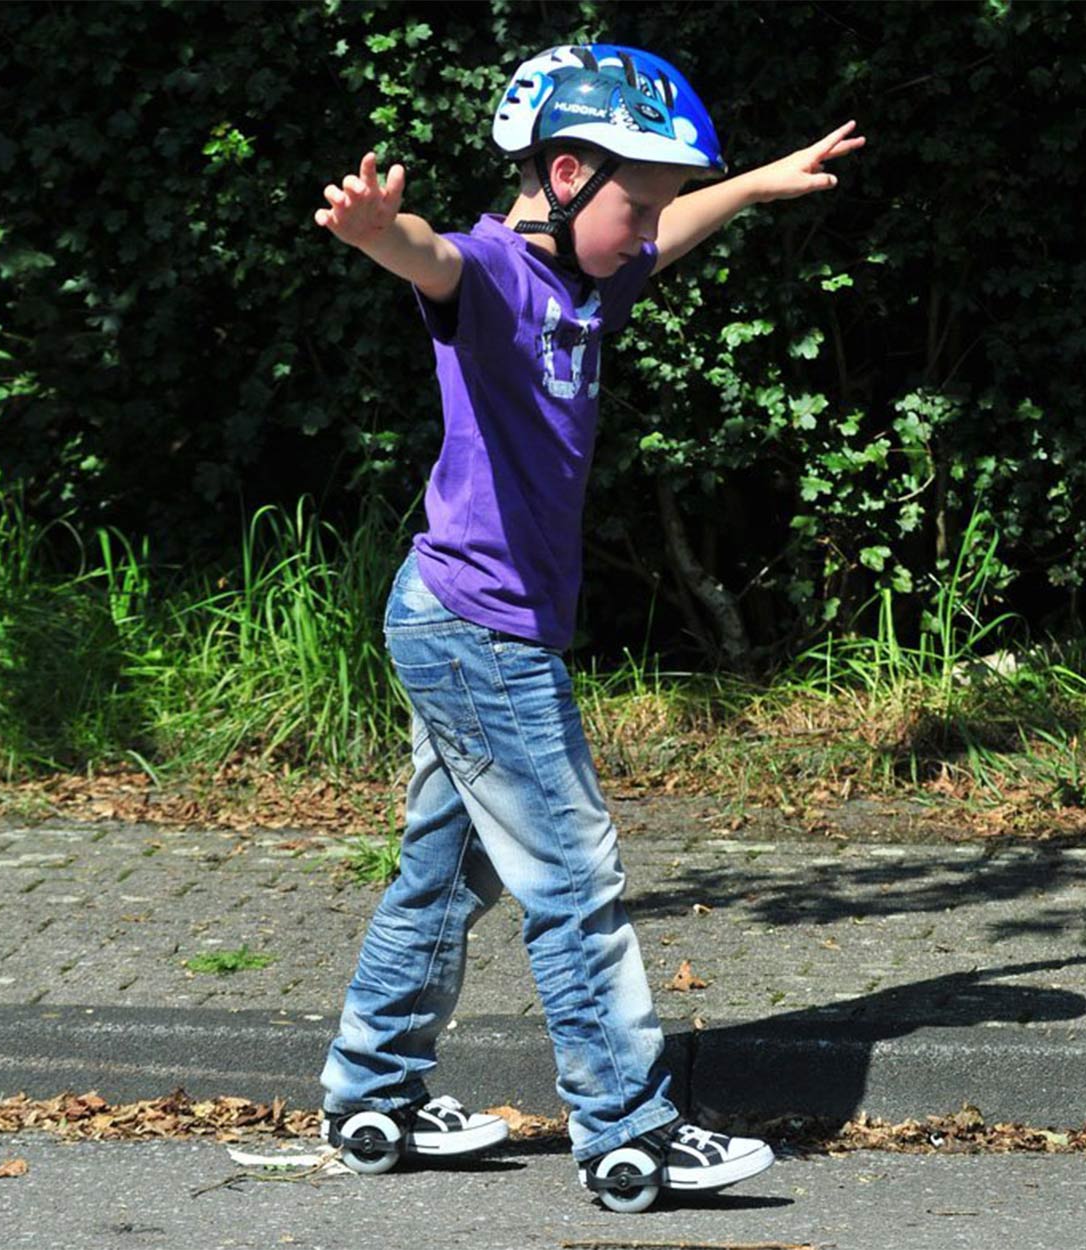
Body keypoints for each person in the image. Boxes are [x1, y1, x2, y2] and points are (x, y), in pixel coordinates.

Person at [313, 43, 864, 1206]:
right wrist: (373, 232)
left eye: (658, 203)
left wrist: (754, 183)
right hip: (480, 630)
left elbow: (669, 227)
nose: (652, 228)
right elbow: (432, 260)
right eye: (638, 203)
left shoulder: (584, 277)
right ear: (563, 175)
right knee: (572, 874)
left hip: (461, 620)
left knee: (442, 874)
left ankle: (374, 1091)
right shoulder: (504, 276)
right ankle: (629, 1123)